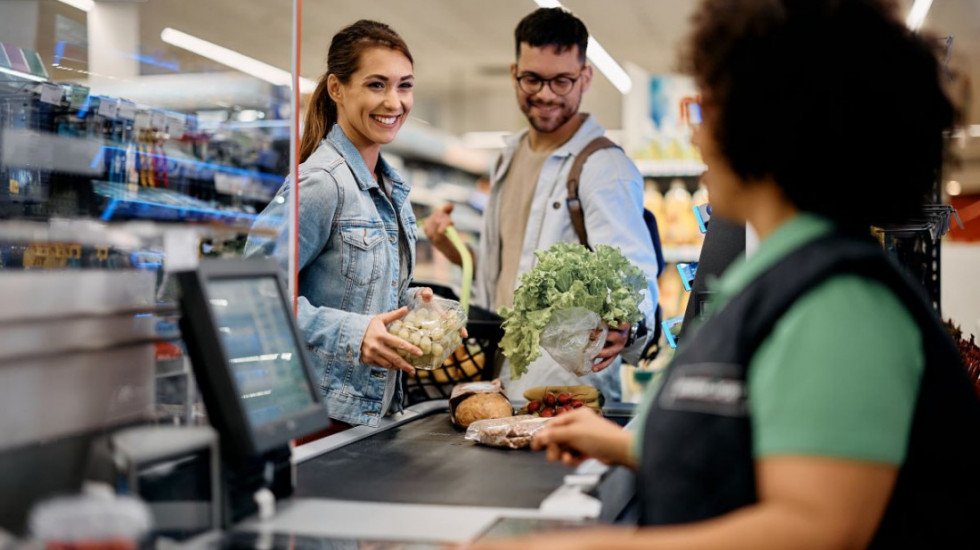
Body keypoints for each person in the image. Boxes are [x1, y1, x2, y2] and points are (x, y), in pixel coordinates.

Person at [464, 0, 980, 548]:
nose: (697, 135)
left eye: (711, 109)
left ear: (775, 132)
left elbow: (817, 528)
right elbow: (768, 437)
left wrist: (588, 544)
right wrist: (631, 446)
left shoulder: (840, 302)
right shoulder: (787, 275)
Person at [424, 8, 659, 402]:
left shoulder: (603, 168)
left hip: (566, 391)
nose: (545, 94)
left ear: (585, 77)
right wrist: (456, 250)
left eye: (562, 81)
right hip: (498, 380)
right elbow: (511, 277)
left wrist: (628, 326)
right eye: (532, 79)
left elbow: (634, 277)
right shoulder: (509, 156)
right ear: (515, 72)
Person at [245, 20, 437, 429]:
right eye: (376, 85)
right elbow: (254, 296)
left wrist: (412, 305)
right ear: (337, 89)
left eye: (404, 85)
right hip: (319, 419)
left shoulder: (391, 189)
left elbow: (355, 292)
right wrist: (353, 333)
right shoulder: (320, 183)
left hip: (371, 416)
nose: (394, 102)